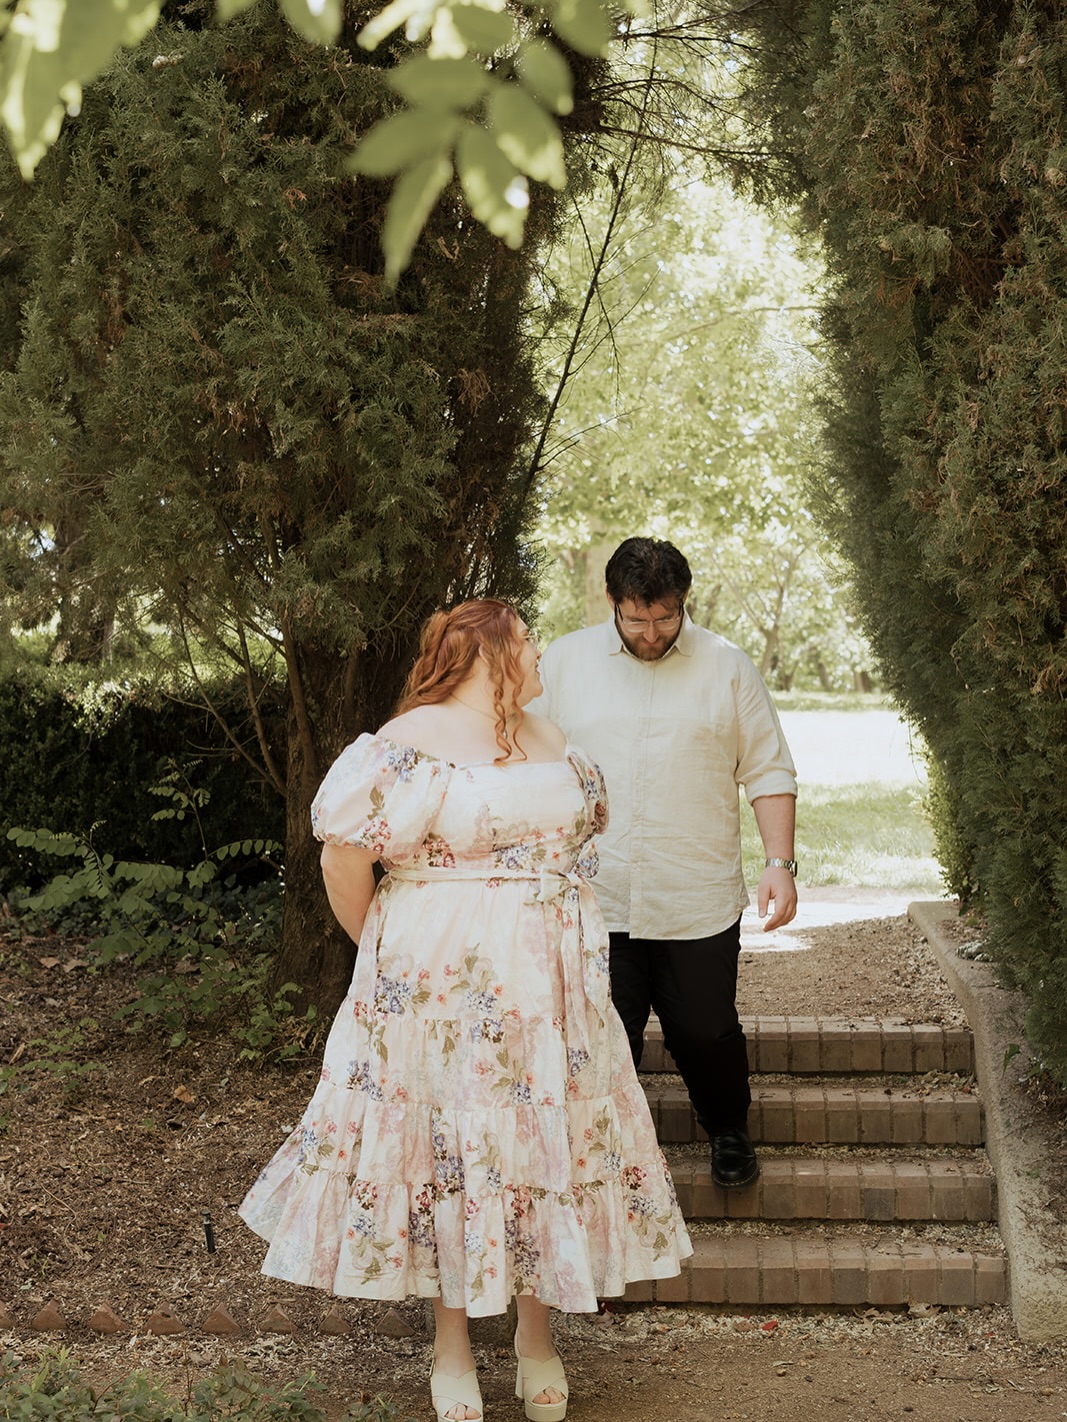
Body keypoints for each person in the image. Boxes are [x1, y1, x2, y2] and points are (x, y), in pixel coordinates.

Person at [239, 599, 691, 1422]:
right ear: (484, 651)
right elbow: (345, 861)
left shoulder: (551, 738)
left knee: (539, 1144)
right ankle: (450, 1344)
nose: (539, 650)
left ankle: (535, 1338)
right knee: (449, 1149)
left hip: (552, 992)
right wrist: (387, 957)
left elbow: (580, 840)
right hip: (438, 990)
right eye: (526, 640)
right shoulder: (407, 743)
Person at [531, 538, 798, 1191]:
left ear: (683, 603)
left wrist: (779, 862)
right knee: (604, 1034)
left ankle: (728, 1131)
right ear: (612, 604)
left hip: (693, 893)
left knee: (705, 1032)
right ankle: (604, 1160)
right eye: (636, 619)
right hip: (595, 893)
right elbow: (525, 763)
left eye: (665, 617)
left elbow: (766, 767)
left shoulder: (727, 666)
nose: (651, 633)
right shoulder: (562, 663)